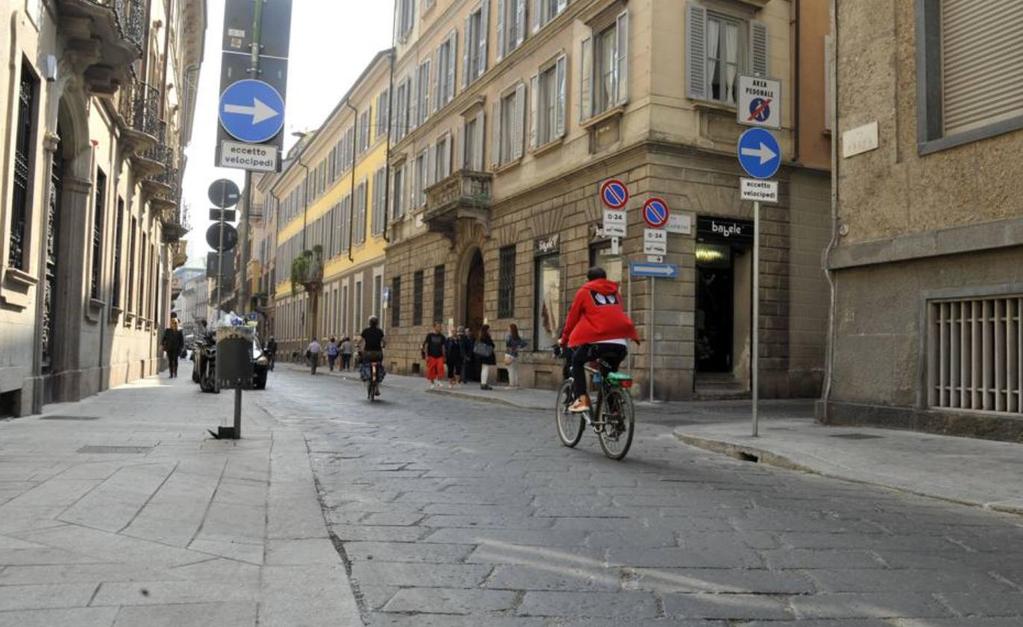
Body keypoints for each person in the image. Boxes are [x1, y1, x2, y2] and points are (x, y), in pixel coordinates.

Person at [560, 267, 639, 413]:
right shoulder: (615, 293)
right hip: (620, 344)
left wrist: (564, 340)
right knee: (607, 375)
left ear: (588, 279)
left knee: (577, 361)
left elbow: (572, 319)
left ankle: (581, 400)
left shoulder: (584, 291)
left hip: (598, 341)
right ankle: (614, 413)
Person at [359, 316, 386, 393]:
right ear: (377, 323)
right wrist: (383, 345)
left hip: (368, 353)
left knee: (365, 364)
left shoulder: (365, 331)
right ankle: (377, 387)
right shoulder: (380, 331)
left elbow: (360, 340)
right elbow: (384, 341)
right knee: (379, 366)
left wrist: (357, 345)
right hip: (378, 353)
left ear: (369, 323)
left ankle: (366, 378)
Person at [422, 322, 447, 389]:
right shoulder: (429, 335)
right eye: (438, 326)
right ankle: (432, 383)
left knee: (440, 368)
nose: (440, 328)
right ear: (434, 327)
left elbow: (443, 347)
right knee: (431, 370)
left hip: (439, 356)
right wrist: (426, 355)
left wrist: (444, 356)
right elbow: (426, 346)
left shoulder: (442, 337)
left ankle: (439, 381)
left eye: (440, 326)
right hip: (431, 356)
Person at [504, 323, 528, 388]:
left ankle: (511, 385)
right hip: (515, 354)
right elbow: (525, 343)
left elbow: (507, 344)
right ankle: (516, 384)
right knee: (515, 370)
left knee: (510, 370)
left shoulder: (509, 336)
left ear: (511, 329)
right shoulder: (517, 337)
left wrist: (512, 347)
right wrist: (518, 347)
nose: (507, 328)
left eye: (509, 327)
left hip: (509, 354)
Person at [475, 324, 497, 390]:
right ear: (486, 330)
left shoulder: (481, 337)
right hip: (486, 355)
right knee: (485, 369)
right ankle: (484, 384)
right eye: (489, 329)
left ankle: (483, 383)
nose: (490, 330)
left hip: (482, 355)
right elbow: (492, 345)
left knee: (484, 369)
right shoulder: (486, 337)